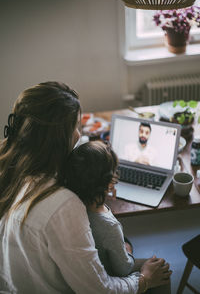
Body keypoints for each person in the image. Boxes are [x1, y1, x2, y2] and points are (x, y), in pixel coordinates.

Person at [0, 81, 171, 294]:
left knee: (122, 244)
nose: (79, 135)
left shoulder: (10, 168)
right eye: (76, 127)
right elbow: (100, 290)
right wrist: (144, 280)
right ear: (59, 139)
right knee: (160, 271)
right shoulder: (61, 205)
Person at [65, 140, 172, 293]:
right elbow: (123, 269)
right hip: (111, 274)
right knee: (161, 268)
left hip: (95, 263)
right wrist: (127, 253)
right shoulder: (109, 226)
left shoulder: (74, 203)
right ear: (109, 184)